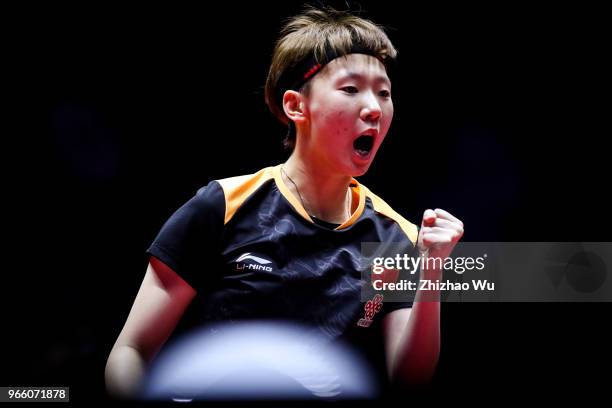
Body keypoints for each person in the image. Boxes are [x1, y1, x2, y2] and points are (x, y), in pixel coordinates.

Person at [105, 4, 464, 400]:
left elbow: (408, 382)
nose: (374, 109)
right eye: (350, 89)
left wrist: (433, 268)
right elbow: (131, 350)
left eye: (384, 93)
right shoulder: (223, 206)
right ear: (296, 106)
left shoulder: (395, 238)